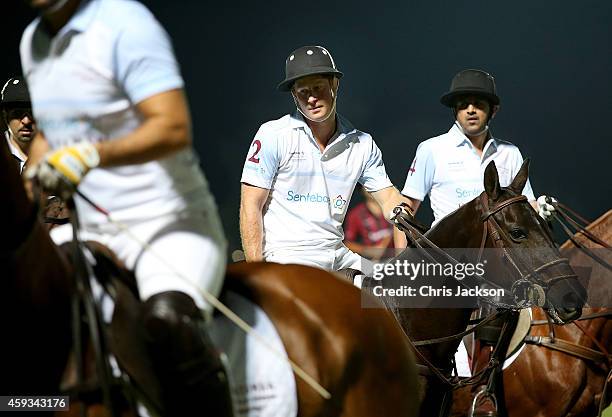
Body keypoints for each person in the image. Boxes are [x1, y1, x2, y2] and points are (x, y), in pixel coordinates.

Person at [20, 0, 233, 415]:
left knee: (168, 323)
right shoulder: (33, 41)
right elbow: (49, 130)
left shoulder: (124, 22)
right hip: (91, 228)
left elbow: (172, 127)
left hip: (169, 223)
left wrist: (91, 156)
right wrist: (37, 168)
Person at [240, 45, 408, 277]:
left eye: (318, 88)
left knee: (402, 294)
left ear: (334, 84)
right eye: (302, 92)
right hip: (287, 256)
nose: (311, 98)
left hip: (338, 254)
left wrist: (402, 214)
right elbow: (251, 206)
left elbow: (389, 196)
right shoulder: (272, 134)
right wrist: (257, 275)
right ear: (293, 95)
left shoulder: (362, 143)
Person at [344, 185, 395, 261]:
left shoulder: (395, 208)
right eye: (367, 185)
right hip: (373, 262)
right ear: (361, 189)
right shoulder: (355, 214)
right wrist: (368, 251)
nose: (372, 187)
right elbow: (347, 244)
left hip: (398, 258)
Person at [1, 76, 36, 173]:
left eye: (32, 112)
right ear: (5, 115)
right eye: (18, 113)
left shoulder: (57, 153)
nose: (26, 121)